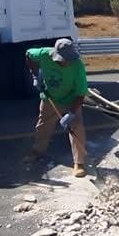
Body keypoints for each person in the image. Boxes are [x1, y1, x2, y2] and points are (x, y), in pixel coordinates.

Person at [24, 38, 89, 177]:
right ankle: (37, 151)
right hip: (50, 98)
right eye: (64, 60)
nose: (67, 62)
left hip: (71, 99)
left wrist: (71, 113)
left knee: (76, 127)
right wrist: (35, 75)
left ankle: (79, 163)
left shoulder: (77, 66)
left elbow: (81, 93)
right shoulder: (43, 54)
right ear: (56, 55)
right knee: (43, 124)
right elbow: (28, 54)